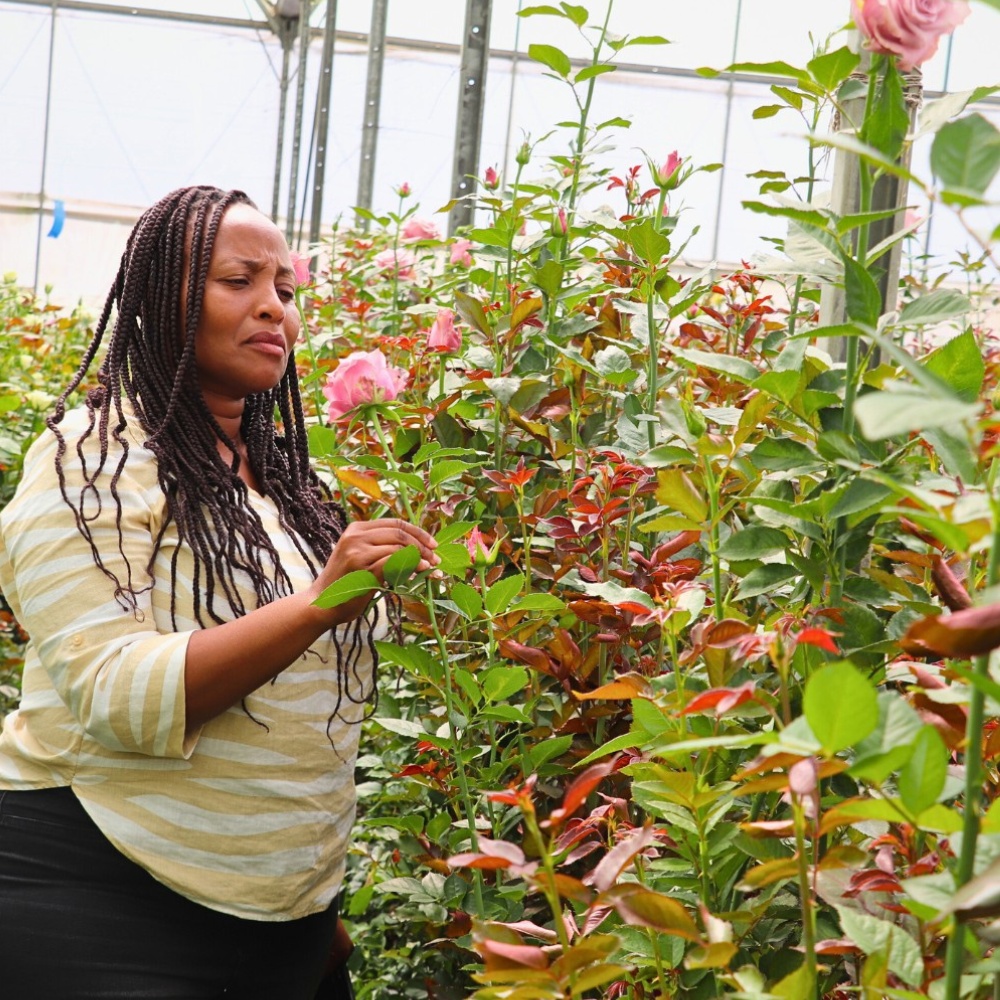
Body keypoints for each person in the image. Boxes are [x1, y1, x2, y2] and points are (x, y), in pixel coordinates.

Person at [0, 185, 437, 998]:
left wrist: (305, 896)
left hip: (282, 930)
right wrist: (319, 603)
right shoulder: (87, 464)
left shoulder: (285, 485)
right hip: (102, 894)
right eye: (240, 280)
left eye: (286, 290)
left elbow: (302, 723)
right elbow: (115, 695)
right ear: (162, 296)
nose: (273, 308)